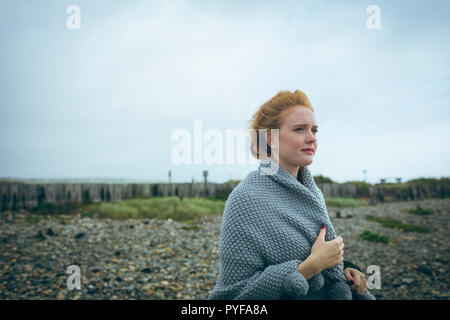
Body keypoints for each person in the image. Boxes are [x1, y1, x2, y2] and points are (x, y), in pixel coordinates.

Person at [208, 90, 376, 300]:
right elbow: (233, 297)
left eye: (314, 130)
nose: (311, 138)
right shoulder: (245, 200)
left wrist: (347, 271)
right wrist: (308, 268)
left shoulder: (312, 191)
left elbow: (317, 255)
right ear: (271, 138)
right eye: (299, 129)